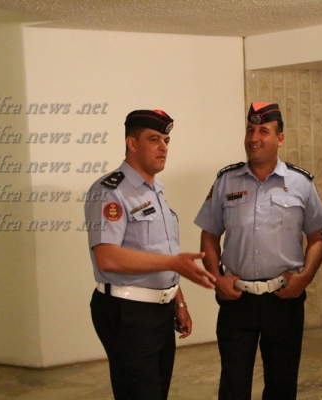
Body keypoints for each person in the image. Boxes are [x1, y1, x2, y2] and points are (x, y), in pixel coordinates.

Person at [194, 102, 322, 400]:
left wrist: (305, 278)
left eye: (263, 131)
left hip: (284, 299)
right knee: (233, 385)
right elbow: (209, 234)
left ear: (280, 138)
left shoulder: (300, 182)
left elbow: (317, 237)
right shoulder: (226, 180)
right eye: (250, 130)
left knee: (282, 385)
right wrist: (217, 279)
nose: (254, 138)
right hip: (237, 300)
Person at [84, 109, 216, 400]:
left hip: (160, 311)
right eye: (154, 139)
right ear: (131, 143)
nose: (163, 147)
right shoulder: (110, 191)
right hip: (127, 312)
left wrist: (178, 301)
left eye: (166, 141)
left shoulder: (154, 192)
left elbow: (160, 252)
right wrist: (173, 263)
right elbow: (107, 257)